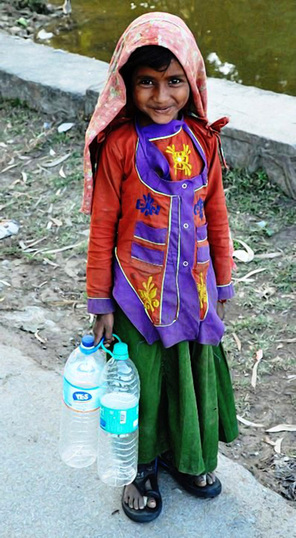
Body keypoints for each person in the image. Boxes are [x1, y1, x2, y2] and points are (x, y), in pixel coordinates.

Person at [82, 12, 238, 523]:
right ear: (126, 84)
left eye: (174, 81)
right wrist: (100, 300)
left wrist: (224, 281)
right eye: (146, 82)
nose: (161, 95)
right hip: (135, 294)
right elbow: (104, 226)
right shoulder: (121, 147)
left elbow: (215, 214)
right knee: (140, 384)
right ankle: (139, 468)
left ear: (192, 82)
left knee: (188, 373)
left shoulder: (203, 142)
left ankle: (185, 457)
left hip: (194, 290)